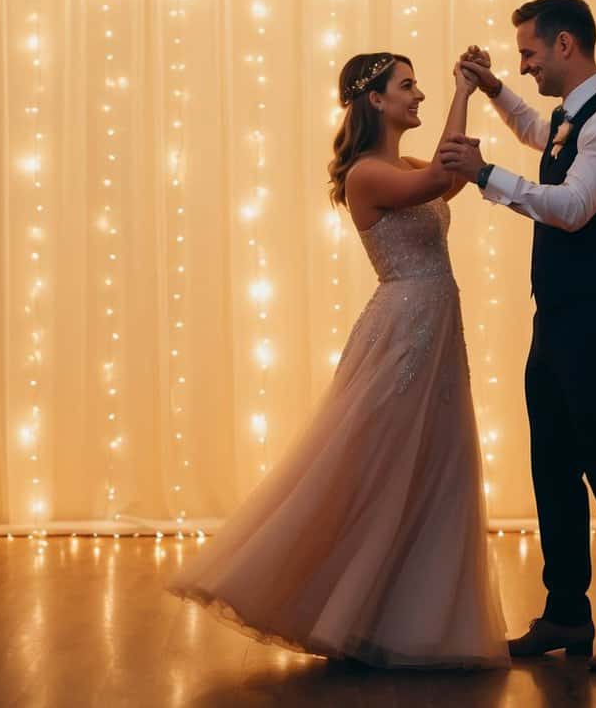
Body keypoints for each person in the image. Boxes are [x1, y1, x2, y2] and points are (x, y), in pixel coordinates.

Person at [165, 52, 510, 670]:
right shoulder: (365, 175)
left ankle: (401, 620)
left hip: (435, 331)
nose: (419, 95)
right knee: (374, 466)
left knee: (433, 464)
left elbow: (446, 175)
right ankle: (337, 605)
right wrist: (464, 91)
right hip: (403, 330)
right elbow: (438, 178)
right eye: (408, 86)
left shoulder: (399, 163)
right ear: (374, 99)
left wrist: (470, 101)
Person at [439, 0, 596, 670]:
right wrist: (492, 91)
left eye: (529, 54)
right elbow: (542, 136)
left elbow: (571, 208)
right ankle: (567, 611)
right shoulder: (577, 120)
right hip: (564, 318)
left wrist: (483, 174)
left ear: (566, 45)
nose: (526, 66)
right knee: (553, 464)